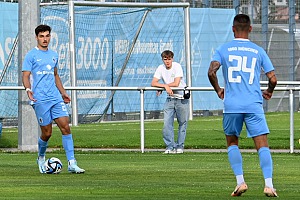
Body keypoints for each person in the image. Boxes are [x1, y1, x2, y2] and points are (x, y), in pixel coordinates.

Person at [208, 14, 278, 197]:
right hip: (253, 104)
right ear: (250, 29)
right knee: (262, 145)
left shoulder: (223, 49)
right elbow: (273, 79)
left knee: (232, 143)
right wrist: (269, 91)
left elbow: (211, 72)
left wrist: (218, 90)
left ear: (233, 29)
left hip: (232, 105)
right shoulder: (258, 51)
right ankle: (269, 185)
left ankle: (240, 182)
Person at [22, 24, 85, 174]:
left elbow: (55, 75)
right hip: (40, 99)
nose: (45, 39)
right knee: (47, 133)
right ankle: (41, 157)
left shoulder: (54, 55)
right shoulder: (31, 55)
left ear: (50, 37)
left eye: (47, 36)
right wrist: (28, 89)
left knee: (66, 127)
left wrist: (63, 93)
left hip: (55, 98)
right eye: (42, 36)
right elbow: (25, 76)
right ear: (36, 37)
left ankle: (72, 163)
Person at [151, 50, 189, 154]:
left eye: (169, 59)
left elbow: (176, 83)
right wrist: (164, 86)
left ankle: (180, 146)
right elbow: (153, 82)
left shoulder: (177, 66)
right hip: (170, 98)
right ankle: (170, 146)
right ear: (162, 60)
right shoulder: (160, 68)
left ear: (172, 59)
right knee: (167, 123)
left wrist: (165, 86)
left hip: (181, 98)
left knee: (182, 123)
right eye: (165, 59)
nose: (167, 61)